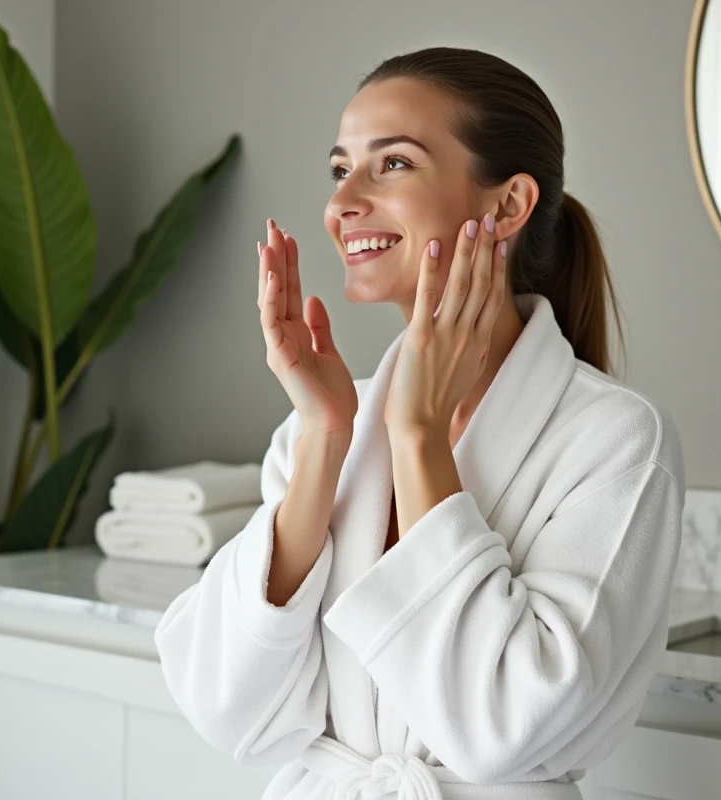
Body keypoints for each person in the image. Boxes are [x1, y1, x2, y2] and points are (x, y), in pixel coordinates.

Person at [154, 46, 686, 800]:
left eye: (393, 164)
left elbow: (501, 725)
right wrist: (327, 439)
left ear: (506, 206)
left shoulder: (616, 442)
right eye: (342, 169)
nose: (343, 205)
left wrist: (419, 438)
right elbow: (228, 708)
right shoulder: (322, 428)